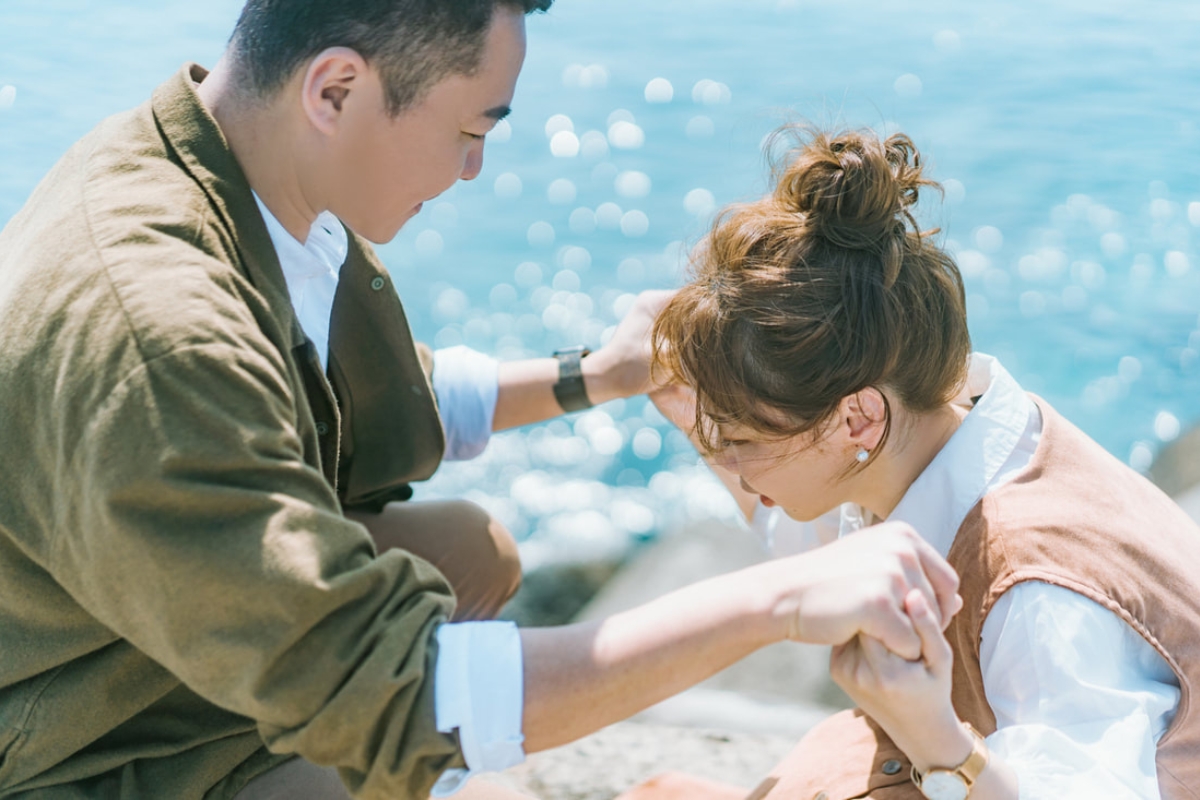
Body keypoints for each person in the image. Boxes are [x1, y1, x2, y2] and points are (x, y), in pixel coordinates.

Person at [0, 4, 962, 799]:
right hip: (94, 738)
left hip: (164, 619)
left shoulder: (231, 169)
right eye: (469, 132)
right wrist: (776, 600)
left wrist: (604, 371)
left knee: (468, 551)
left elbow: (372, 389)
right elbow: (398, 691)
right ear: (335, 90)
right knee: (463, 742)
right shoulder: (157, 334)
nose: (474, 171)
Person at [649, 126, 1200, 799]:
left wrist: (934, 734)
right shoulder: (947, 437)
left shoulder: (1033, 593)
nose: (721, 457)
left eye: (735, 437)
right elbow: (807, 526)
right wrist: (685, 400)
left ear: (857, 418)